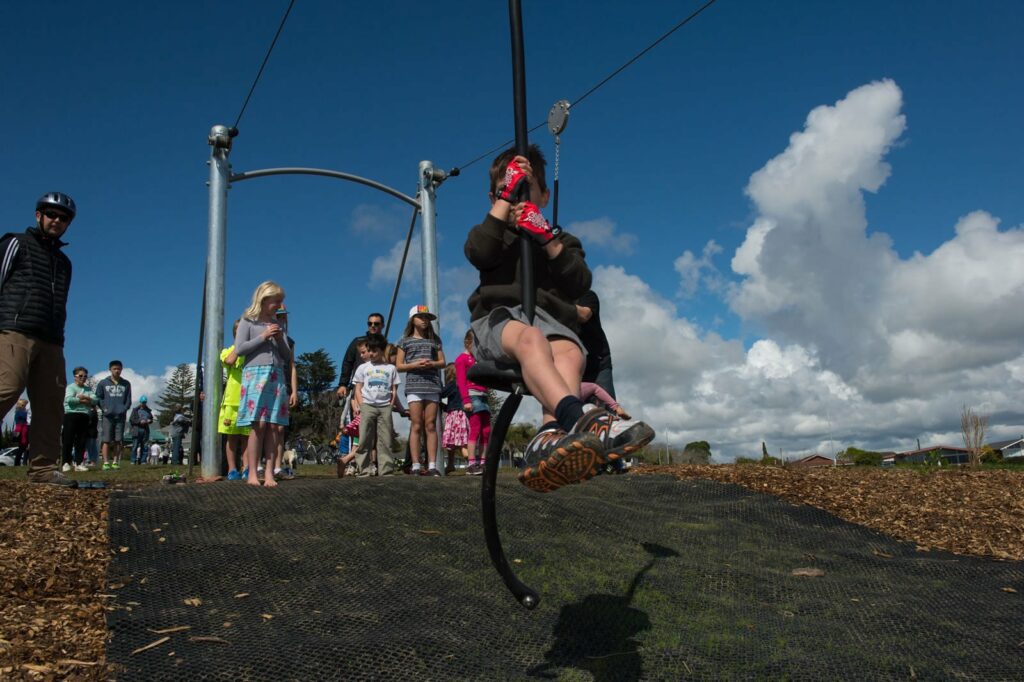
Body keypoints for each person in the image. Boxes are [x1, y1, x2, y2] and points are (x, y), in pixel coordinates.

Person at [464, 146, 654, 492]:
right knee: (531, 339)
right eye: (510, 192)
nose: (519, 199)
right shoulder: (494, 234)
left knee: (571, 350)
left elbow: (579, 281)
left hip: (547, 323)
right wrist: (507, 198)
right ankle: (577, 418)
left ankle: (550, 433)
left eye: (527, 190)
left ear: (544, 195)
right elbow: (478, 251)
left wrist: (546, 239)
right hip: (498, 323)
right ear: (495, 197)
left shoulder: (562, 241)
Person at [0, 192, 77, 486]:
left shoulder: (64, 262)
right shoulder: (15, 243)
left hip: (52, 339)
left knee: (51, 403)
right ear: (38, 215)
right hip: (14, 329)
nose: (57, 221)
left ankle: (43, 468)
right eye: (51, 214)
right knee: (6, 388)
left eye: (64, 218)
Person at [233, 280, 292, 487]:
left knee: (272, 426)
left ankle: (269, 473)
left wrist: (277, 338)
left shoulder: (278, 325)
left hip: (275, 375)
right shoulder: (248, 321)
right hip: (255, 376)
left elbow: (287, 355)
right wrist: (264, 337)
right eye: (276, 301)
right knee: (257, 425)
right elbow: (239, 349)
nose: (279, 305)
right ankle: (251, 473)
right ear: (264, 299)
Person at [396, 305, 445, 476]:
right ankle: (415, 464)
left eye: (427, 318)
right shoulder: (404, 341)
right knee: (416, 424)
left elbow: (442, 362)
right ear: (412, 320)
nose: (424, 320)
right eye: (420, 317)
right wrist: (415, 365)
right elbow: (399, 365)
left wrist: (432, 364)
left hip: (432, 385)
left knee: (430, 425)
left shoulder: (435, 340)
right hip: (414, 386)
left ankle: (432, 465)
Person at [351, 333, 399, 477]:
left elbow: (394, 390)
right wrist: (362, 405)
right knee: (365, 438)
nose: (371, 354)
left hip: (385, 407)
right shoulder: (363, 368)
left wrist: (390, 405)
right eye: (369, 350)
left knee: (385, 440)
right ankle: (363, 469)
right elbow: (358, 389)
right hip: (368, 406)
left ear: (382, 350)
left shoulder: (390, 368)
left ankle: (386, 470)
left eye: (374, 350)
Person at [454, 330, 491, 476]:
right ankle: (471, 463)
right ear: (468, 342)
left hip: (483, 395)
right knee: (475, 428)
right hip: (472, 395)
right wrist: (466, 400)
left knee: (486, 430)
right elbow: (461, 382)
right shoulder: (461, 359)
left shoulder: (479, 359)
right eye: (476, 344)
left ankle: (483, 462)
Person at [219, 320, 251, 481]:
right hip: (232, 400)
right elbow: (229, 361)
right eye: (240, 331)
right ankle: (232, 469)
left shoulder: (252, 352)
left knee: (247, 437)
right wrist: (240, 345)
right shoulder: (228, 351)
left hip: (248, 400)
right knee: (232, 437)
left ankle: (246, 467)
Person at [576, 290, 617, 399]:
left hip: (598, 365)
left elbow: (584, 315)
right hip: (573, 366)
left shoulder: (586, 295)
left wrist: (556, 304)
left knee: (606, 409)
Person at [336, 312, 385, 400]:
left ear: (382, 325)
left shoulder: (385, 344)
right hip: (360, 387)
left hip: (380, 388)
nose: (372, 326)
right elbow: (347, 362)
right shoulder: (357, 342)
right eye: (370, 323)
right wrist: (343, 384)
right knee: (359, 413)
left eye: (376, 323)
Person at [95, 360, 132, 470]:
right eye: (115, 369)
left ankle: (115, 461)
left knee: (118, 440)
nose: (117, 371)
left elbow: (128, 399)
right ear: (110, 369)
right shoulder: (103, 383)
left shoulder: (126, 383)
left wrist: (124, 409)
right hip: (107, 415)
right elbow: (99, 397)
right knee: (106, 439)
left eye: (119, 369)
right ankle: (106, 462)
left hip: (120, 415)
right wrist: (104, 408)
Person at [62, 367, 96, 472]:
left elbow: (95, 400)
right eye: (80, 376)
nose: (83, 378)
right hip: (71, 415)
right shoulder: (70, 388)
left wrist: (87, 399)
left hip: (84, 415)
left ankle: (79, 462)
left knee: (81, 440)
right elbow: (69, 400)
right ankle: (66, 462)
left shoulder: (88, 389)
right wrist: (82, 400)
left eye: (85, 376)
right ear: (75, 377)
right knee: (68, 439)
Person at [440, 364, 469, 473]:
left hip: (455, 416)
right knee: (454, 443)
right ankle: (451, 465)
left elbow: (441, 393)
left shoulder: (453, 384)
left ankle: (473, 464)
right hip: (461, 414)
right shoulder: (463, 384)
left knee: (460, 444)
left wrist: (438, 384)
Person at [128, 396, 154, 465]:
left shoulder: (148, 411)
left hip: (145, 430)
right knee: (135, 446)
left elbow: (151, 419)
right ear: (140, 402)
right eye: (143, 402)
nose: (144, 403)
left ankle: (143, 461)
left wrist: (149, 421)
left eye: (145, 402)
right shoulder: (135, 410)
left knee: (145, 446)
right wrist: (139, 422)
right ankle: (133, 461)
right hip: (137, 429)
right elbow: (131, 420)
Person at [12, 399, 29, 466]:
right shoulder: (20, 412)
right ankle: (18, 463)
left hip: (20, 429)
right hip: (22, 430)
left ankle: (18, 463)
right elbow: (25, 417)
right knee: (22, 447)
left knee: (22, 448)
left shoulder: (17, 411)